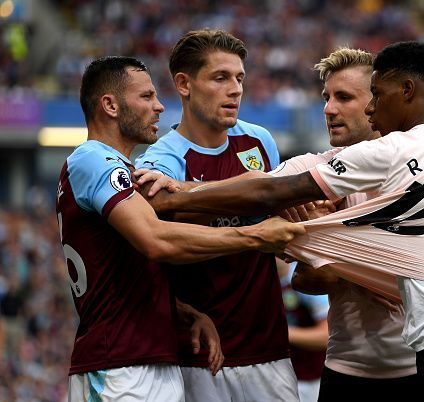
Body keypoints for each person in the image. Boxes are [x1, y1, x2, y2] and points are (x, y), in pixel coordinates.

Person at [137, 41, 424, 401]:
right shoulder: (317, 170)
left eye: (346, 97)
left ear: (380, 100)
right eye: (326, 97)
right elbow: (279, 225)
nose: (328, 108)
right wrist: (324, 251)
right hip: (347, 367)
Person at [56, 56, 304, 401]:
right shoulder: (92, 158)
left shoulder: (122, 169)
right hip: (117, 367)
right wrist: (253, 236)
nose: (159, 107)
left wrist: (185, 312)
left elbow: (125, 271)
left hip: (153, 360)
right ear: (110, 105)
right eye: (146, 97)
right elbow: (156, 241)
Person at [134, 29, 300, 402]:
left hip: (269, 348)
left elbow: (275, 224)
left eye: (240, 78)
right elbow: (148, 253)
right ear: (184, 84)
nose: (236, 89)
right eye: (221, 77)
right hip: (199, 356)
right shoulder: (162, 161)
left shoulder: (259, 142)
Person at [277, 259, 329, 402]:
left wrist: (277, 332)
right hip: (275, 376)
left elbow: (326, 336)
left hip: (309, 379)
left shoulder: (305, 276)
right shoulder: (257, 283)